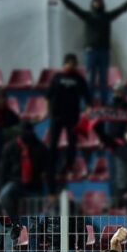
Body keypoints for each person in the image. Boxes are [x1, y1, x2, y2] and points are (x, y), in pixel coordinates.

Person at [54, 0, 127, 102]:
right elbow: (73, 8)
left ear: (103, 3)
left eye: (100, 1)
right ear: (92, 3)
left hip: (104, 51)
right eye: (96, 1)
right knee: (90, 79)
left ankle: (104, 102)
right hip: (90, 51)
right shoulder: (87, 15)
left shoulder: (107, 16)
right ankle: (89, 103)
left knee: (104, 79)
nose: (98, 3)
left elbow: (121, 9)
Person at [45, 53, 91, 183]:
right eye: (69, 63)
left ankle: (69, 167)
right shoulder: (57, 77)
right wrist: (47, 111)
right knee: (53, 143)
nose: (71, 66)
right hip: (57, 115)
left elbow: (87, 96)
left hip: (72, 116)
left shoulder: (79, 79)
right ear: (64, 64)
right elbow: (48, 96)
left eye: (73, 64)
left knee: (72, 143)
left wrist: (88, 108)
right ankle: (51, 169)